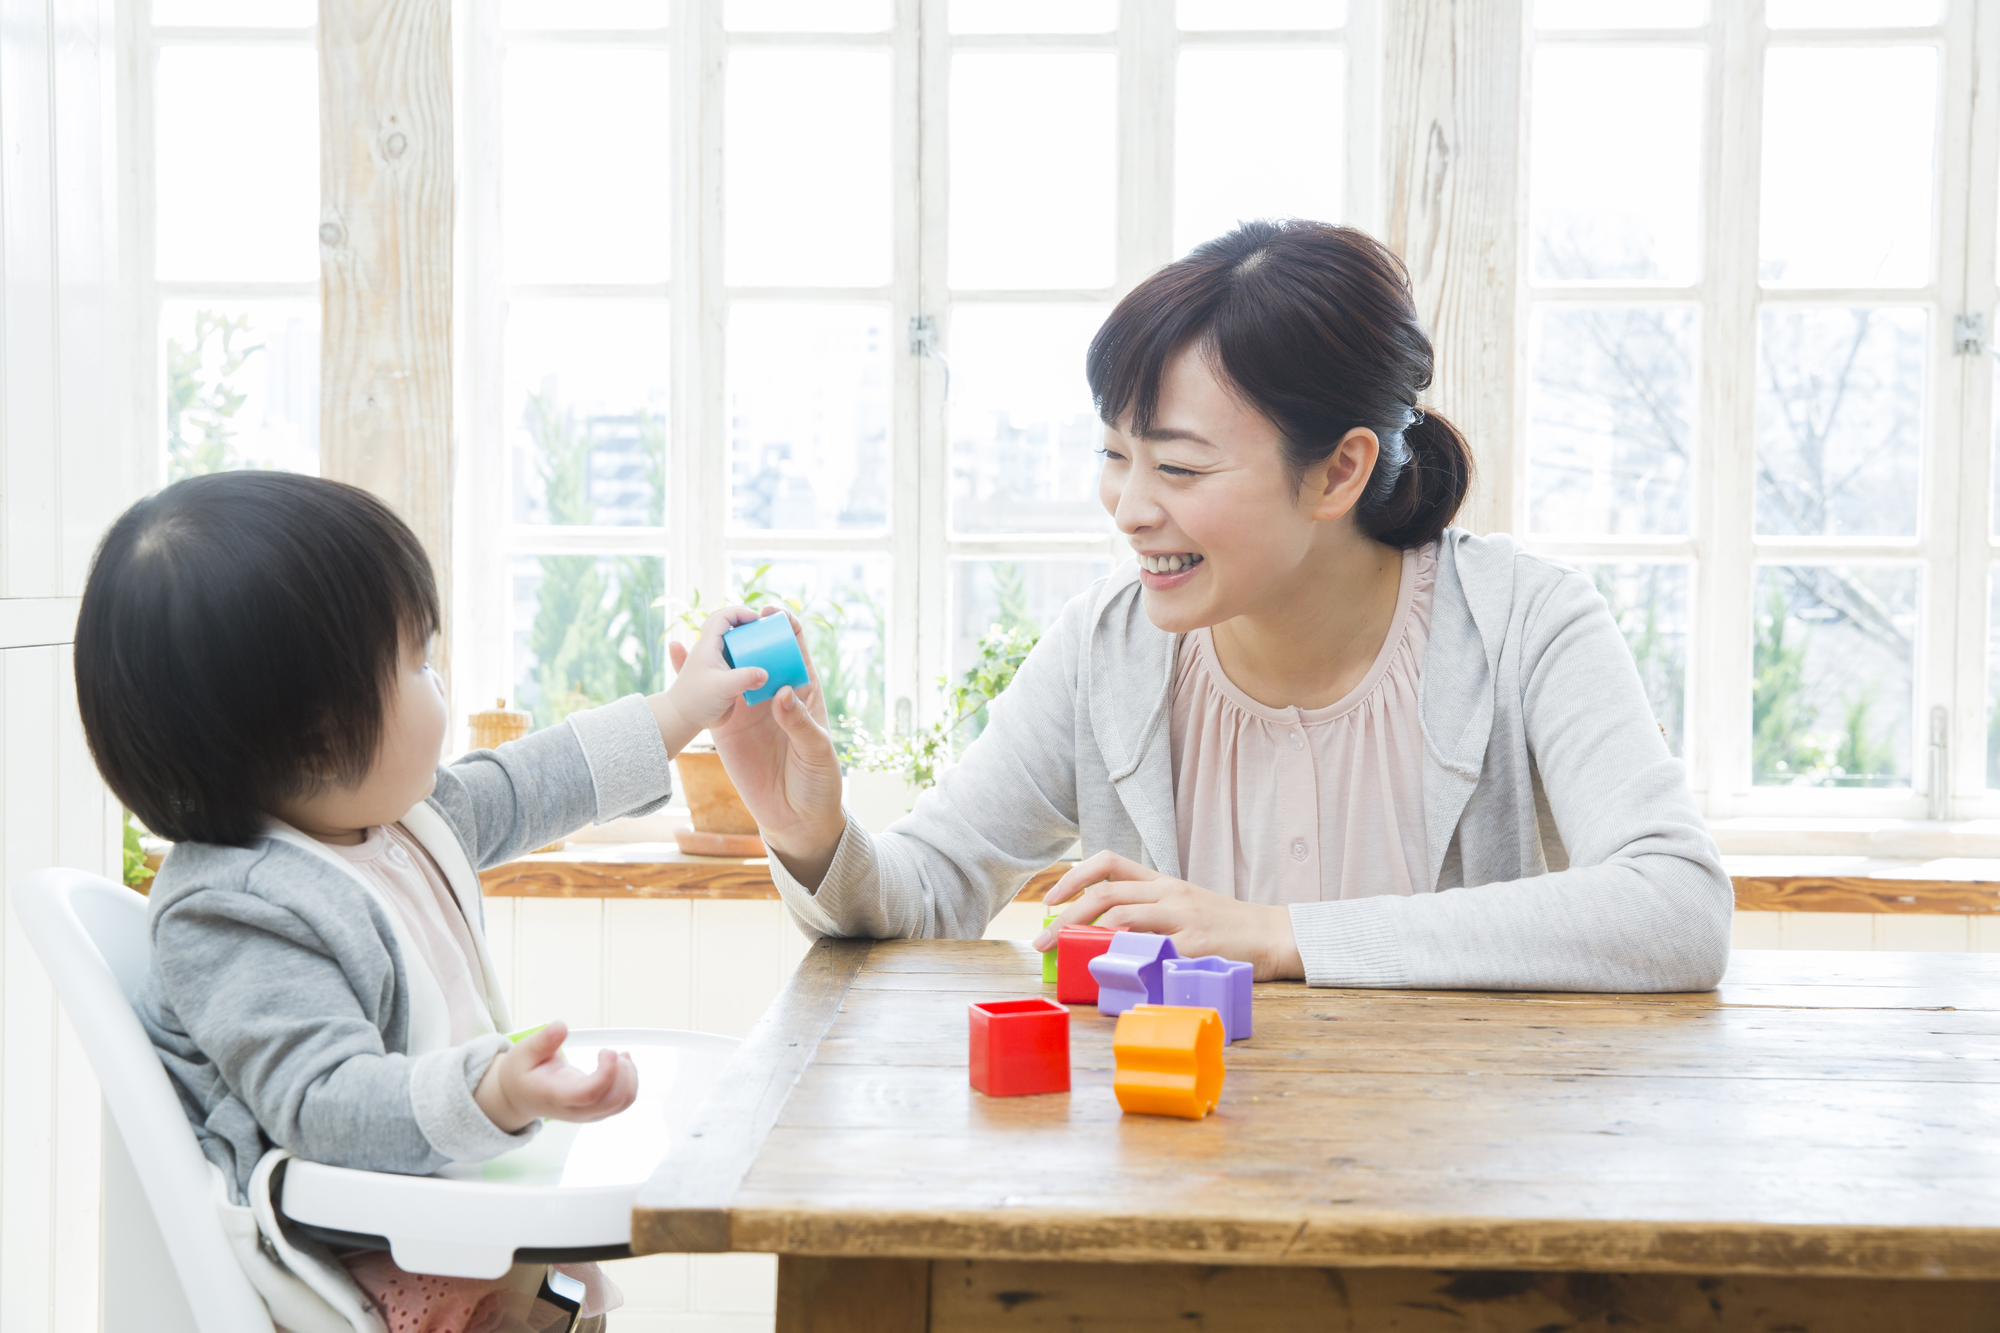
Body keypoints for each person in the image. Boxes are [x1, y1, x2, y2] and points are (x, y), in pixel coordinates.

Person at [698, 219, 1733, 992]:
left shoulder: (1523, 623)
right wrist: (814, 834)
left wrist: (1281, 933)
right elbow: (926, 892)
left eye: (1180, 467)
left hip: (1465, 1199)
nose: (1129, 508)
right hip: (1178, 1187)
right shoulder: (1103, 651)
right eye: (1114, 455)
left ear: (1337, 474)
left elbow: (1675, 907)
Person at [74, 472, 772, 1333]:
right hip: (378, 1264)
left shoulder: (400, 821)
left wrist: (682, 708)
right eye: (420, 662)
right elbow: (326, 1103)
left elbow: (534, 779)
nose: (438, 681)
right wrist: (495, 1091)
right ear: (321, 730)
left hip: (452, 1221)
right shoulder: (233, 910)